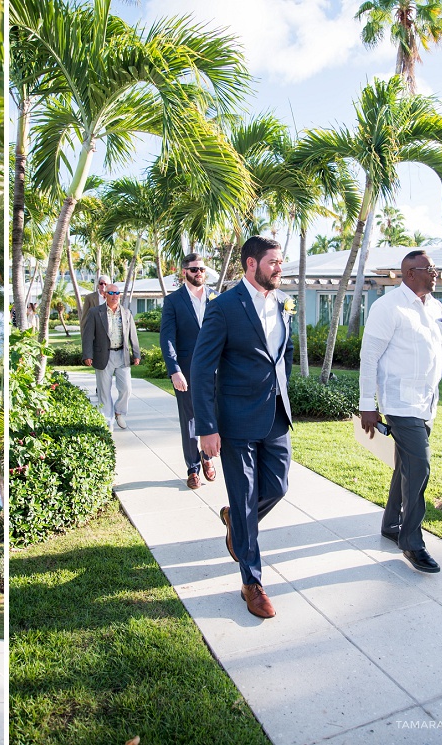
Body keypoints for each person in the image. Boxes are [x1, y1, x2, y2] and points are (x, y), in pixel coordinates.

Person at [358, 250, 442, 574]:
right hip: (399, 404)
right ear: (411, 273)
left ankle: (391, 524)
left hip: (427, 402)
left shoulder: (436, 307)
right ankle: (411, 542)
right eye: (430, 269)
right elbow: (369, 357)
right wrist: (368, 406)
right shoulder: (388, 307)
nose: (436, 273)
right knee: (420, 466)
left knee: (406, 466)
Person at [192, 236, 293, 619]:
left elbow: (279, 358)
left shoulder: (283, 303)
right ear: (251, 264)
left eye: (280, 261)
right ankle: (252, 583)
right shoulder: (223, 308)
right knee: (245, 493)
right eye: (273, 262)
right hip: (235, 420)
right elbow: (202, 368)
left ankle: (237, 518)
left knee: (278, 487)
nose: (279, 268)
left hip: (276, 416)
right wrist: (207, 427)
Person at [160, 253, 218, 490]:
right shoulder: (173, 301)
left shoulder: (217, 298)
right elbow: (167, 338)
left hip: (217, 369)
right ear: (184, 272)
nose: (199, 273)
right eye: (194, 269)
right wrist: (174, 370)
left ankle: (207, 456)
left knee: (215, 416)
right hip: (187, 369)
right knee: (190, 421)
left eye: (202, 269)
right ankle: (193, 469)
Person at [82, 283, 140, 429]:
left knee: (126, 388)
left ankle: (119, 412)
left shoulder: (126, 313)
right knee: (104, 390)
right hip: (103, 355)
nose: (115, 296)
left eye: (117, 293)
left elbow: (133, 335)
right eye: (111, 293)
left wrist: (136, 354)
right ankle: (108, 420)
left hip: (122, 355)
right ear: (105, 295)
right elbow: (88, 335)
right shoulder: (95, 312)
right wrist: (87, 354)